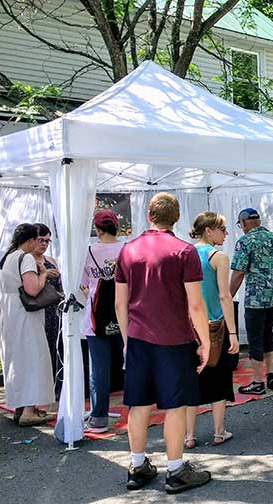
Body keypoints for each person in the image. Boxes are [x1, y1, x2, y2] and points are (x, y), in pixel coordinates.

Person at [114, 192, 211, 494]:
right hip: (175, 338)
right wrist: (205, 341)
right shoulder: (184, 251)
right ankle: (175, 469)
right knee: (175, 405)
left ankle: (137, 464)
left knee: (138, 403)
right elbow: (196, 304)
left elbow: (120, 302)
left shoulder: (128, 249)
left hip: (139, 336)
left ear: (149, 215)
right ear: (177, 217)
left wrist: (127, 337)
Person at [184, 212, 240, 448]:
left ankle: (189, 436)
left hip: (189, 326)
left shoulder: (184, 254)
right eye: (223, 229)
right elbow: (224, 296)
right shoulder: (219, 257)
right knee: (219, 379)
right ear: (209, 230)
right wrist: (234, 333)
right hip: (215, 324)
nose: (226, 234)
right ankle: (218, 431)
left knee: (191, 380)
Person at [0, 223, 55, 426]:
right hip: (24, 312)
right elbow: (32, 289)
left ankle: (20, 406)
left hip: (8, 310)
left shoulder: (8, 256)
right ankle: (29, 410)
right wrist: (45, 275)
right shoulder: (27, 257)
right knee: (32, 358)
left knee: (16, 359)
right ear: (30, 240)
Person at [79, 210, 125, 433]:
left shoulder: (89, 251)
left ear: (97, 229)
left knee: (99, 367)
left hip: (96, 316)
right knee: (133, 360)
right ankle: (140, 407)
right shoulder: (126, 249)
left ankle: (99, 416)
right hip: (125, 313)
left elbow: (83, 284)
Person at [230, 208, 273, 395]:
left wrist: (228, 295)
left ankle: (257, 381)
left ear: (244, 223)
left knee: (255, 338)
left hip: (256, 299)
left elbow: (238, 273)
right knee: (268, 333)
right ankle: (271, 374)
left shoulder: (245, 241)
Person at [32, 223, 63, 401]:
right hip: (38, 311)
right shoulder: (27, 260)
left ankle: (53, 389)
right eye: (40, 240)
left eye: (47, 241)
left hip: (54, 311)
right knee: (39, 352)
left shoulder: (51, 260)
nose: (43, 244)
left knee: (54, 350)